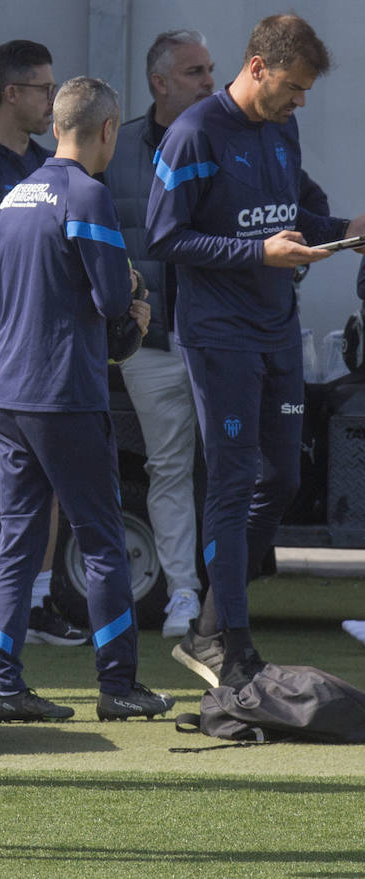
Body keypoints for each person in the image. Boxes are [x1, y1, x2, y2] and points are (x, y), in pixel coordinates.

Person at [147, 14, 365, 691]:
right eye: (293, 88)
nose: (300, 102)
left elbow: (293, 218)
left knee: (285, 479)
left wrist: (346, 231)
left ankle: (211, 623)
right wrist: (254, 254)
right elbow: (162, 238)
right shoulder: (194, 134)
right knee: (235, 477)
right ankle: (230, 639)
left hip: (276, 327)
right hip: (218, 336)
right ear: (259, 67)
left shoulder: (281, 128)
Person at [0, 77, 174, 723]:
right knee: (101, 540)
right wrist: (134, 310)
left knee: (17, 542)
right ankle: (118, 685)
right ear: (108, 129)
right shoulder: (87, 195)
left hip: (9, 393)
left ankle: (2, 682)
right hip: (65, 392)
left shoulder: (17, 193)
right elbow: (116, 304)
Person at [0, 40, 85, 648]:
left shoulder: (52, 167)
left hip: (40, 353)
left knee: (47, 482)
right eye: (42, 88)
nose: (52, 100)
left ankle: (35, 610)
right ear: (11, 94)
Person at [102, 29, 215, 639]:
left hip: (219, 339)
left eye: (210, 69)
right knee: (170, 468)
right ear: (160, 82)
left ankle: (224, 601)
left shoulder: (230, 139)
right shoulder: (113, 150)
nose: (209, 81)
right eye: (196, 71)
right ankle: (183, 597)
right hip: (151, 346)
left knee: (232, 471)